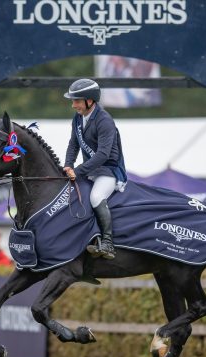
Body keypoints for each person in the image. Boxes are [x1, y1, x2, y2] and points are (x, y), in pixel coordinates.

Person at [63, 78, 127, 260]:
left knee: (96, 197)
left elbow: (103, 155)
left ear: (89, 100)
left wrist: (79, 170)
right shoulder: (77, 118)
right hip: (90, 170)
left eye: (76, 101)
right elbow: (73, 144)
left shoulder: (104, 120)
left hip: (108, 170)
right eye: (73, 101)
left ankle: (107, 243)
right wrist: (68, 164)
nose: (73, 105)